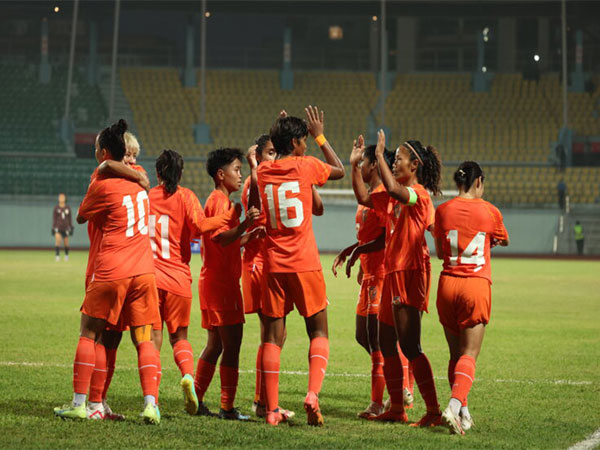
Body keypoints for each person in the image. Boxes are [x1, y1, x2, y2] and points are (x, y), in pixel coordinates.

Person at [54, 119, 162, 424]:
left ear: (102, 152)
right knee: (143, 339)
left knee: (91, 334)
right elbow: (134, 175)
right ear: (124, 154)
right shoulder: (140, 176)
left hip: (111, 270)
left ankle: (81, 403)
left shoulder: (100, 183)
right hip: (143, 273)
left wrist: (103, 170)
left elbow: (80, 217)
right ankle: (149, 405)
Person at [257, 106, 345, 426]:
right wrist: (320, 134)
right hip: (304, 262)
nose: (306, 144)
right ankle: (312, 395)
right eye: (303, 140)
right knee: (318, 331)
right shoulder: (307, 166)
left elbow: (271, 155)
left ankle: (271, 410)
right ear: (295, 142)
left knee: (271, 337)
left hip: (274, 264)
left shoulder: (263, 171)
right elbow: (339, 169)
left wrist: (278, 128)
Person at [348, 130, 442, 426]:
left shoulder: (419, 194)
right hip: (391, 273)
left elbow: (394, 190)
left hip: (411, 272)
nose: (395, 162)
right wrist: (354, 166)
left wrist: (378, 157)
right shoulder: (393, 196)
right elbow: (364, 197)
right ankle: (397, 407)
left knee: (410, 346)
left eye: (398, 159)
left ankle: (433, 411)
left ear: (414, 165)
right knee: (386, 342)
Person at [148, 149, 237, 416]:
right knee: (180, 338)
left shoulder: (147, 197)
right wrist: (229, 217)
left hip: (150, 277)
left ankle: (152, 402)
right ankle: (188, 375)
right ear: (181, 172)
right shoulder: (186, 196)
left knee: (153, 341)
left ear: (157, 173)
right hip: (178, 278)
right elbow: (200, 226)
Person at [433, 161, 509, 435]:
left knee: (455, 354)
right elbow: (502, 239)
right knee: (470, 353)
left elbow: (441, 252)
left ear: (458, 183)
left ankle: (464, 412)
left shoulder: (442, 211)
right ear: (479, 182)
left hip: (447, 285)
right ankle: (453, 408)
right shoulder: (490, 210)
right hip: (475, 286)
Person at [194, 148, 263, 420]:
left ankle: (196, 398)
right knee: (231, 345)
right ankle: (227, 407)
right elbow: (220, 238)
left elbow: (225, 242)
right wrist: (246, 222)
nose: (240, 173)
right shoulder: (222, 203)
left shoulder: (214, 200)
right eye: (236, 169)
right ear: (220, 175)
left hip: (211, 280)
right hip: (223, 286)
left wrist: (248, 234)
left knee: (215, 345)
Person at [85, 130, 150, 421]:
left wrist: (111, 166)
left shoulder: (114, 179)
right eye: (127, 156)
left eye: (136, 156)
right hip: (114, 265)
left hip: (114, 267)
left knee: (109, 340)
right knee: (103, 337)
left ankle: (98, 402)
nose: (133, 162)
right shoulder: (108, 182)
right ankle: (97, 401)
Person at [332, 144, 390, 419]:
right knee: (362, 336)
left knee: (377, 341)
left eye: (364, 163)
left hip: (381, 274)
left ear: (375, 165)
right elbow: (369, 237)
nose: (362, 167)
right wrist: (351, 250)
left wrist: (359, 252)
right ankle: (398, 377)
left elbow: (384, 238)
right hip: (369, 274)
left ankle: (379, 401)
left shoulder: (382, 196)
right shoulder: (369, 197)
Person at [52, 193, 73, 261]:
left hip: (66, 227)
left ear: (65, 198)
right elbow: (54, 218)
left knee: (66, 242)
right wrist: (54, 227)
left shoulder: (68, 208)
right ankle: (57, 255)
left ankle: (66, 255)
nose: (61, 198)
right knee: (58, 240)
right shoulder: (56, 208)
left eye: (63, 197)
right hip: (58, 227)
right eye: (60, 197)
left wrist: (70, 227)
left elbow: (70, 218)